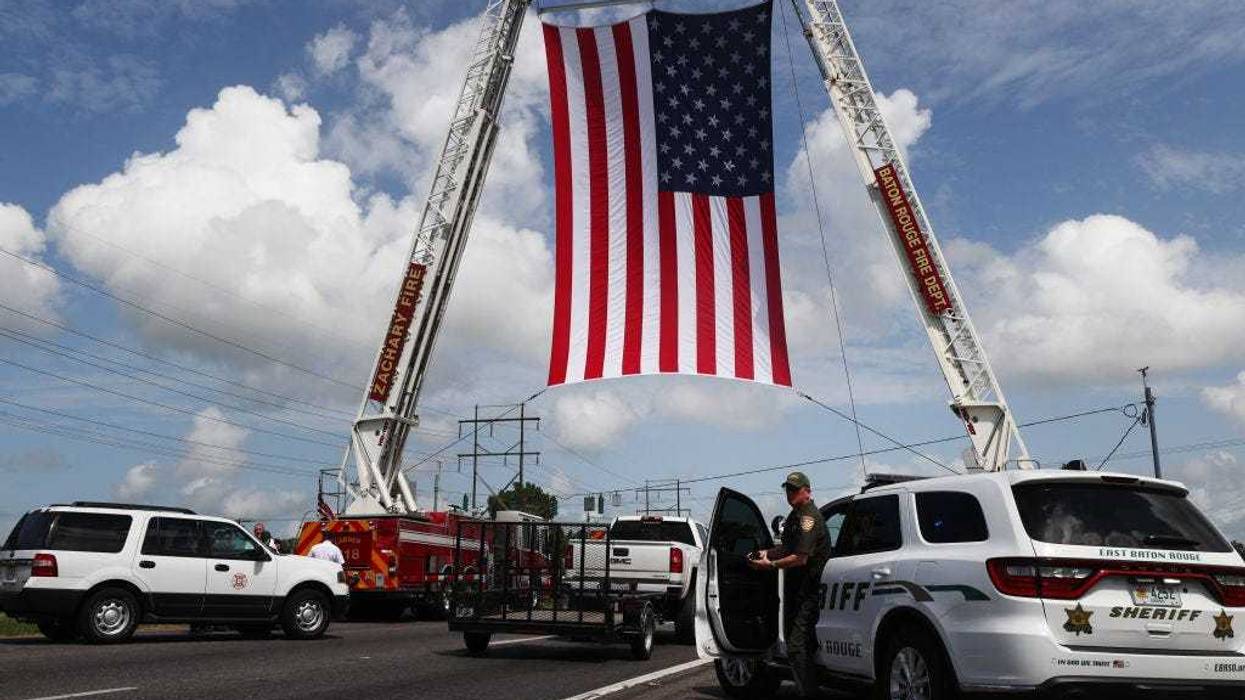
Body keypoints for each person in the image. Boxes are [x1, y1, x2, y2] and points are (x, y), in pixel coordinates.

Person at [748, 471, 831, 698]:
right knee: (804, 646)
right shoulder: (795, 516)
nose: (790, 494)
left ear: (807, 491)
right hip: (797, 591)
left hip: (810, 592)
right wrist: (765, 552)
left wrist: (770, 566)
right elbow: (787, 549)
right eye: (788, 489)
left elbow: (800, 557)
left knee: (796, 647)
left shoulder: (808, 518)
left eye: (794, 489)